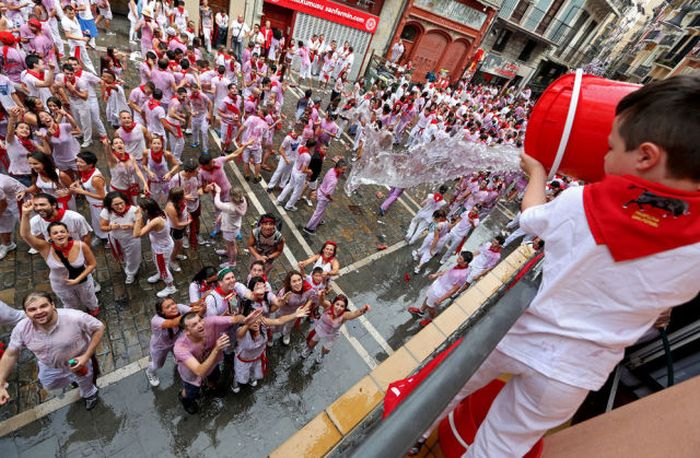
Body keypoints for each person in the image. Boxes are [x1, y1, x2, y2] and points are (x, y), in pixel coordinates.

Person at [413, 76, 700, 457]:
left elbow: (531, 216)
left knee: (441, 391)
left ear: (646, 157)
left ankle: (412, 439)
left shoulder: (583, 202)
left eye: (611, 147)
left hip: (515, 337)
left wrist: (538, 174)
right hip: (575, 375)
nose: (603, 158)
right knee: (502, 445)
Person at [0, 292, 104, 411]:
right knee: (49, 384)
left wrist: (86, 356)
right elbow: (10, 354)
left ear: (53, 305)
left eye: (43, 306)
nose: (39, 312)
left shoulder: (75, 317)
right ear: (26, 313)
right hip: (49, 366)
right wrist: (1, 382)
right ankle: (74, 380)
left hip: (77, 362)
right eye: (32, 309)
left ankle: (90, 394)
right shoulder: (21, 329)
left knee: (85, 381)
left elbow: (99, 327)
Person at [174, 308, 262, 414]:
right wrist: (216, 349)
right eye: (194, 325)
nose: (201, 325)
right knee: (191, 392)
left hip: (212, 364)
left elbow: (235, 319)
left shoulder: (210, 321)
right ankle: (185, 398)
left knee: (214, 378)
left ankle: (211, 388)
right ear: (187, 332)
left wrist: (245, 320)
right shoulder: (180, 347)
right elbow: (199, 371)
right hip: (191, 374)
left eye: (200, 321)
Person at [20, 203, 100, 314]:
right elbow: (26, 235)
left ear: (68, 233)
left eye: (62, 231)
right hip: (61, 284)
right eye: (55, 233)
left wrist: (78, 279)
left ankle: (93, 309)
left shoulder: (81, 245)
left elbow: (92, 264)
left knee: (89, 299)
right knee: (70, 305)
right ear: (50, 236)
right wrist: (25, 214)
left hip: (83, 281)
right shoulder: (45, 248)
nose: (59, 234)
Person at [233, 305, 309, 393]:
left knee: (254, 370)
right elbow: (239, 335)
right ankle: (236, 381)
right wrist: (247, 324)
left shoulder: (263, 323)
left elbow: (279, 320)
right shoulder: (241, 331)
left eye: (257, 318)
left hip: (257, 358)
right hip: (244, 360)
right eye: (251, 319)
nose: (255, 322)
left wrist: (295, 314)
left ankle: (251, 377)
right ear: (246, 320)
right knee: (241, 374)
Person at [145, 296, 200, 387]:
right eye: (168, 307)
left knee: (180, 357)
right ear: (162, 311)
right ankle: (150, 372)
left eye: (173, 304)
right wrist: (192, 312)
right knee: (157, 365)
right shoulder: (156, 320)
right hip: (161, 346)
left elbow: (193, 312)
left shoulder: (179, 307)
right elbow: (172, 323)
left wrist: (201, 308)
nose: (173, 307)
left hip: (177, 341)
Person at [301, 293, 370, 364]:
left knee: (326, 350)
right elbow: (322, 301)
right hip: (321, 328)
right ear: (334, 303)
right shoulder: (328, 306)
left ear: (345, 308)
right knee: (310, 344)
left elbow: (354, 314)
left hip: (332, 334)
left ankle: (321, 355)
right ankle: (309, 350)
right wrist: (321, 295)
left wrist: (364, 309)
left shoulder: (344, 315)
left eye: (342, 306)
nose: (339, 308)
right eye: (337, 304)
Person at [408, 251, 473, 326]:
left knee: (430, 307)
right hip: (438, 284)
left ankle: (430, 319)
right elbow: (448, 272)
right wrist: (436, 275)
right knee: (428, 297)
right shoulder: (459, 265)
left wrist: (441, 299)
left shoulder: (463, 274)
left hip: (440, 292)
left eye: (460, 258)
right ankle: (421, 311)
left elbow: (454, 290)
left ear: (465, 262)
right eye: (459, 256)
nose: (458, 259)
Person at [133, 196, 177, 298]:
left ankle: (170, 287)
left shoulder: (156, 221)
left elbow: (136, 234)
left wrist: (138, 216)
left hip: (161, 249)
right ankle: (160, 274)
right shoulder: (159, 212)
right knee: (157, 262)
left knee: (163, 268)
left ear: (147, 210)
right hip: (160, 245)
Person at [100, 191, 141, 284]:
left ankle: (131, 273)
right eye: (115, 204)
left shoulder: (133, 210)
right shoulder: (106, 211)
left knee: (133, 257)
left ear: (125, 201)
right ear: (110, 205)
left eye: (121, 203)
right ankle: (125, 263)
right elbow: (102, 227)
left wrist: (131, 226)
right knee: (121, 254)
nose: (120, 207)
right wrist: (110, 227)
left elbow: (141, 226)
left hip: (132, 239)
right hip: (116, 239)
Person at [71, 152, 108, 242]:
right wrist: (77, 182)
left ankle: (108, 239)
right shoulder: (85, 171)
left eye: (81, 162)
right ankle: (101, 236)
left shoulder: (96, 179)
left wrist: (82, 192)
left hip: (99, 205)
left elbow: (102, 196)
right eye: (77, 161)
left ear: (90, 165)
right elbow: (83, 180)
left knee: (102, 223)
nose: (77, 164)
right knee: (95, 222)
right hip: (93, 203)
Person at [303, 159, 347, 234]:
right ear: (338, 167)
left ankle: (319, 220)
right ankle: (309, 228)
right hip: (323, 197)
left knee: (321, 210)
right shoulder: (334, 180)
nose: (344, 171)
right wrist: (331, 199)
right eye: (343, 169)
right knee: (318, 212)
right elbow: (327, 194)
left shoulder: (331, 170)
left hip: (320, 190)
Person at [275, 270, 315, 346]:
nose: (298, 283)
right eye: (294, 281)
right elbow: (276, 305)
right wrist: (282, 301)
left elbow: (311, 299)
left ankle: (286, 335)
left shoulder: (308, 289)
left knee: (289, 326)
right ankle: (270, 337)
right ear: (289, 283)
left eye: (299, 280)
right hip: (283, 313)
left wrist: (303, 310)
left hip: (295, 313)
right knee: (277, 327)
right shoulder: (284, 293)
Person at [212, 184, 246, 268]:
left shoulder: (230, 207)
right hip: (235, 227)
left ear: (231, 197)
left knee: (232, 245)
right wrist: (220, 218)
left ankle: (232, 262)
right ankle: (227, 252)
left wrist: (218, 192)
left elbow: (217, 203)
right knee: (230, 243)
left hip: (229, 229)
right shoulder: (243, 200)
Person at [412, 209, 449, 274]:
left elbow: (436, 239)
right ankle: (418, 267)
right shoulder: (447, 221)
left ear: (440, 217)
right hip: (442, 240)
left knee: (425, 248)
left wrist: (431, 249)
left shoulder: (438, 226)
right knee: (428, 254)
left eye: (436, 218)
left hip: (433, 238)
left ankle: (417, 255)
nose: (434, 219)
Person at [164, 187, 191, 271]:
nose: (185, 195)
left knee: (177, 245)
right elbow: (177, 224)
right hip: (176, 229)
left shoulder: (180, 201)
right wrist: (189, 222)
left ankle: (175, 255)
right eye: (183, 195)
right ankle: (171, 260)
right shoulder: (171, 208)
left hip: (181, 227)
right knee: (178, 245)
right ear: (178, 198)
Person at [0, 174, 26, 260]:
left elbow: (3, 204)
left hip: (18, 196)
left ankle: (37, 242)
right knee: (3, 222)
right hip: (4, 197)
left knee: (24, 221)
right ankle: (7, 245)